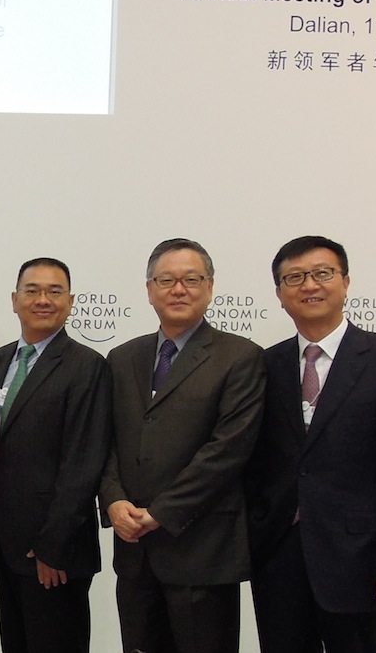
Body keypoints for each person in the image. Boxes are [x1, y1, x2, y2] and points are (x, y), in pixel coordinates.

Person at [245, 236, 376, 653]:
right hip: (278, 560)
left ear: (345, 282)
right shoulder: (263, 365)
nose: (309, 286)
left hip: (360, 561)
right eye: (294, 278)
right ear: (279, 295)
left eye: (322, 273)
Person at [98, 238, 264, 653]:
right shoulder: (122, 358)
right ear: (149, 288)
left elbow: (227, 451)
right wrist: (114, 500)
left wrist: (161, 513)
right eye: (166, 279)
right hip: (134, 552)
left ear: (209, 287)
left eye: (191, 279)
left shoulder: (240, 357)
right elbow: (105, 441)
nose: (178, 289)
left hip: (202, 551)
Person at [0, 258, 112, 653]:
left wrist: (53, 545)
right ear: (14, 299)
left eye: (55, 292)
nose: (43, 299)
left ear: (70, 301)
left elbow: (83, 462)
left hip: (54, 552)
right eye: (32, 290)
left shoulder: (87, 366)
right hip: (3, 542)